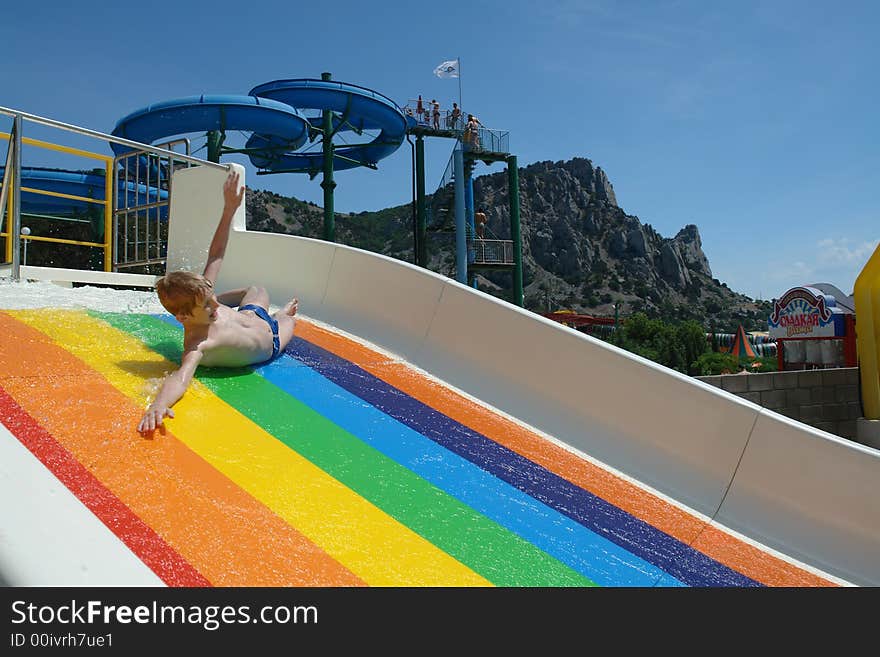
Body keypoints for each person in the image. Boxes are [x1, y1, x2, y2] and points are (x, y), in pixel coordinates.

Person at [137, 170, 299, 434]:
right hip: (272, 342)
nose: (215, 307)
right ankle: (281, 314)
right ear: (183, 318)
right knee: (289, 319)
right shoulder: (197, 344)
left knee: (257, 289)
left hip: (252, 316)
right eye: (207, 306)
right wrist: (158, 404)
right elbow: (180, 378)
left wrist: (229, 209)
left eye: (212, 300)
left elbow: (216, 254)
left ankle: (260, 308)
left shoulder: (203, 297)